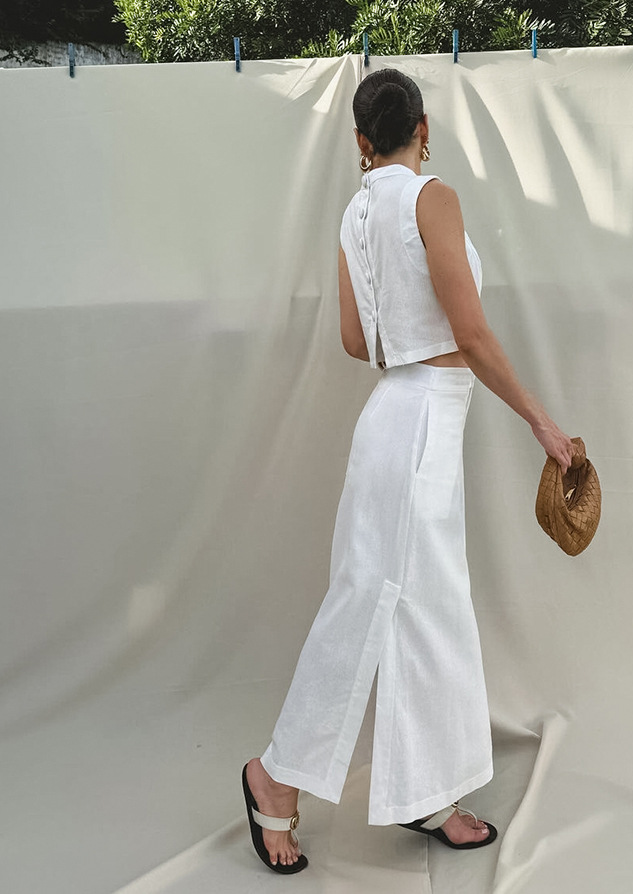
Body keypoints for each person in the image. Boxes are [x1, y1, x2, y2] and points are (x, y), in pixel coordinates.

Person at [242, 68, 573, 875]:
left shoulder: (355, 215)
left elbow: (358, 342)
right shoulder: (433, 198)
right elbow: (474, 333)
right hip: (422, 424)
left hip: (395, 417)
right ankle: (275, 776)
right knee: (368, 604)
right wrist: (541, 421)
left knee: (430, 610)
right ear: (422, 127)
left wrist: (413, 334)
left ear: (361, 139)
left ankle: (428, 791)